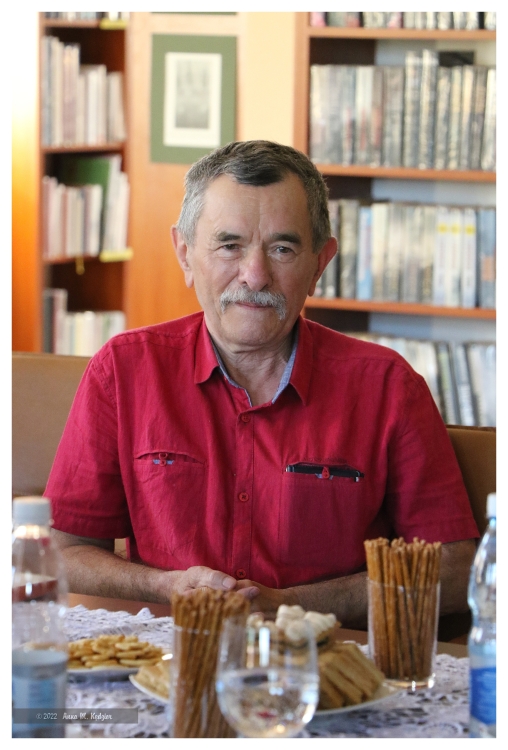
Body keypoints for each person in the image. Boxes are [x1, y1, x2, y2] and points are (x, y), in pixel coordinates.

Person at [47, 140, 478, 627]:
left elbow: (455, 570)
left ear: (320, 264)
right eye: (230, 246)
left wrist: (292, 605)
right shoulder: (122, 371)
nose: (254, 276)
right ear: (185, 254)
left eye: (282, 249)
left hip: (323, 659)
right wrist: (162, 587)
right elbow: (63, 551)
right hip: (168, 654)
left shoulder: (389, 387)